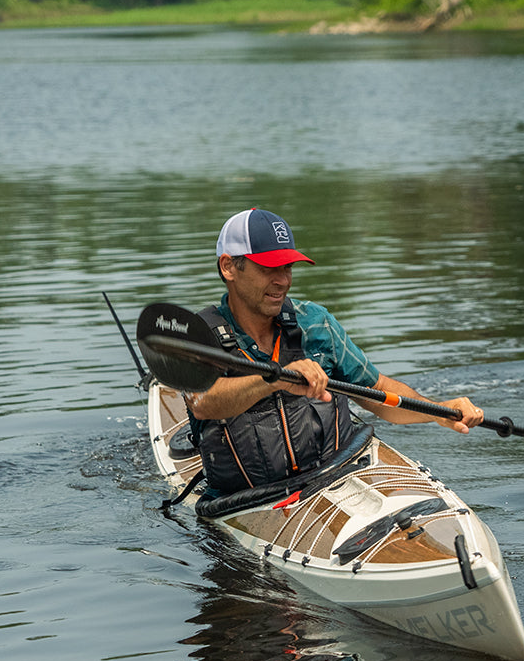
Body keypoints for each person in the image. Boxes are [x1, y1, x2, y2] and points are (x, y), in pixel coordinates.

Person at [185, 208, 486, 494]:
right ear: (228, 267)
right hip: (242, 503)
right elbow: (202, 402)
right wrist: (275, 379)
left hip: (334, 482)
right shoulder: (199, 335)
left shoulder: (316, 323)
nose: (283, 280)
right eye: (269, 268)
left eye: (287, 267)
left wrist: (438, 412)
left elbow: (378, 391)